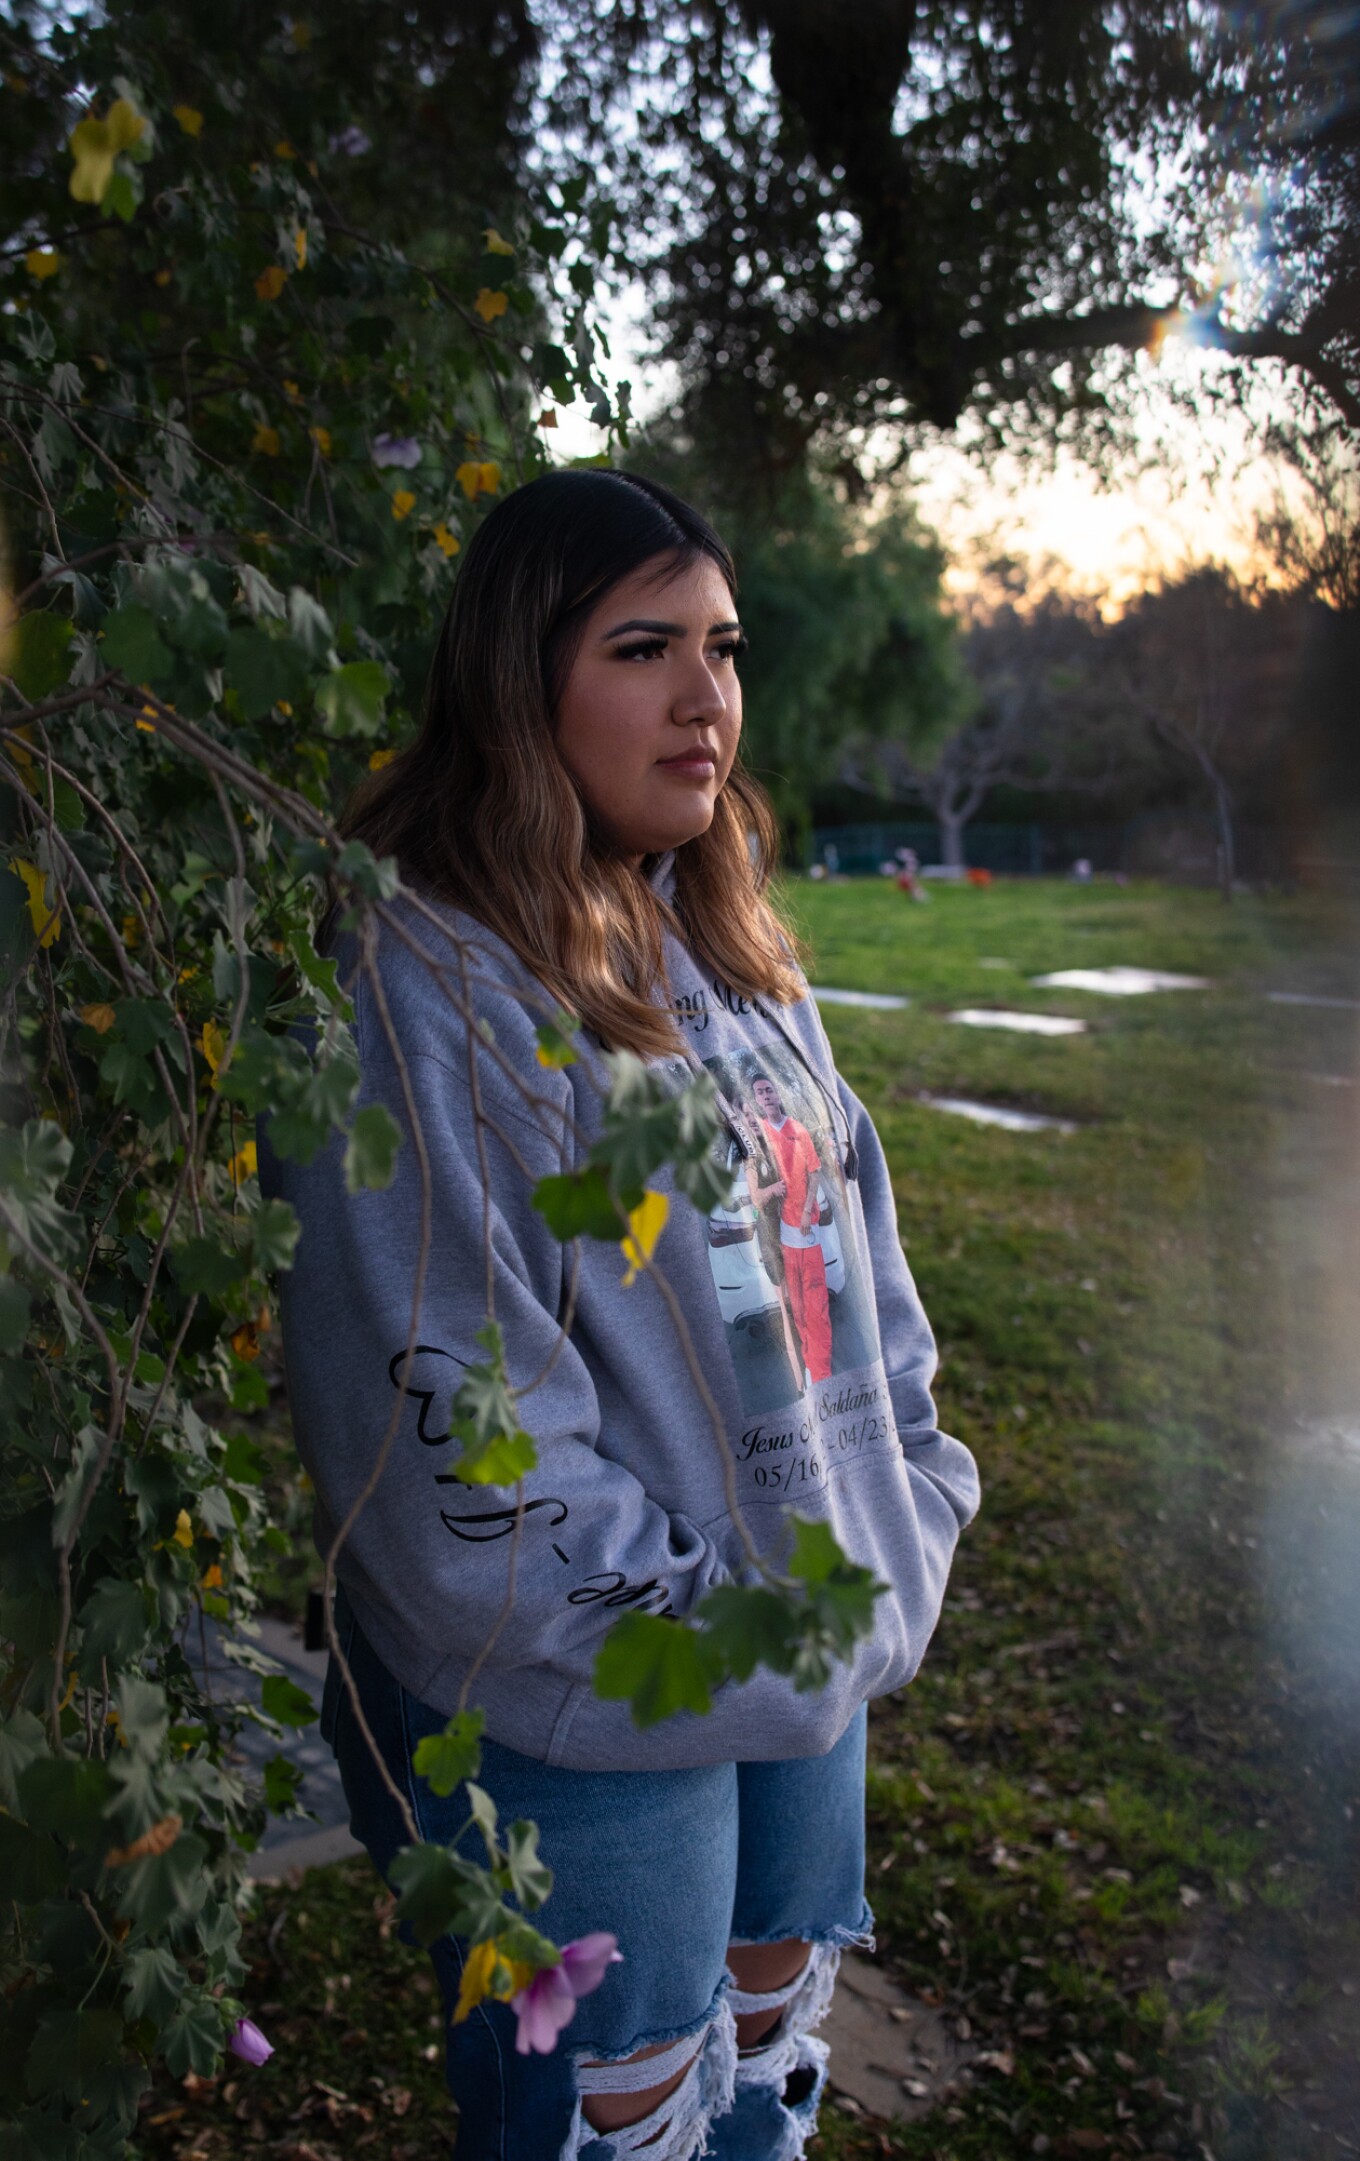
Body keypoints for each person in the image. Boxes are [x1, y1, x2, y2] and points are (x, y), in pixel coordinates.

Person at [262, 469, 980, 2161]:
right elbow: (448, 1413)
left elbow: (861, 1276)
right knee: (626, 2128)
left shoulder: (725, 945)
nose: (705, 696)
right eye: (643, 646)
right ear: (522, 681)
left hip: (809, 1649)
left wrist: (910, 1510)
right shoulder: (415, 984)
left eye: (723, 648)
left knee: (765, 2100)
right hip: (589, 1704)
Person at [748, 1070, 833, 1385]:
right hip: (783, 1234)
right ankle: (810, 1368)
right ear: (757, 1100)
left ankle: (823, 1372)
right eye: (761, 1093)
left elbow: (814, 1172)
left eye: (769, 1090)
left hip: (806, 1230)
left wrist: (808, 1209)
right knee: (796, 1304)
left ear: (777, 1094)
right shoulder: (763, 1137)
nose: (767, 1096)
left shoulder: (798, 1130)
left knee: (816, 1302)